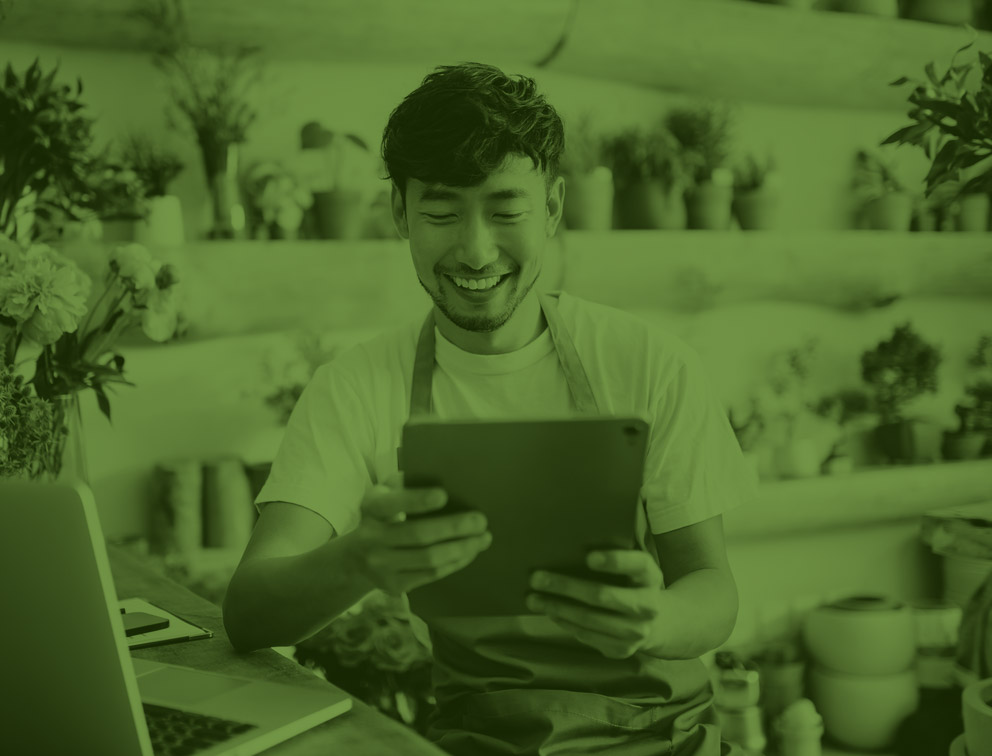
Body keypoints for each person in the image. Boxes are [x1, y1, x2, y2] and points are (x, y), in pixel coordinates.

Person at [222, 62, 757, 755]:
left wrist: (655, 619)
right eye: (442, 212)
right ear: (400, 214)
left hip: (665, 738)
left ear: (555, 208)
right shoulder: (355, 386)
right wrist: (358, 561)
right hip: (483, 741)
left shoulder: (648, 361)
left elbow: (712, 590)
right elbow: (248, 609)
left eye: (506, 210)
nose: (475, 251)